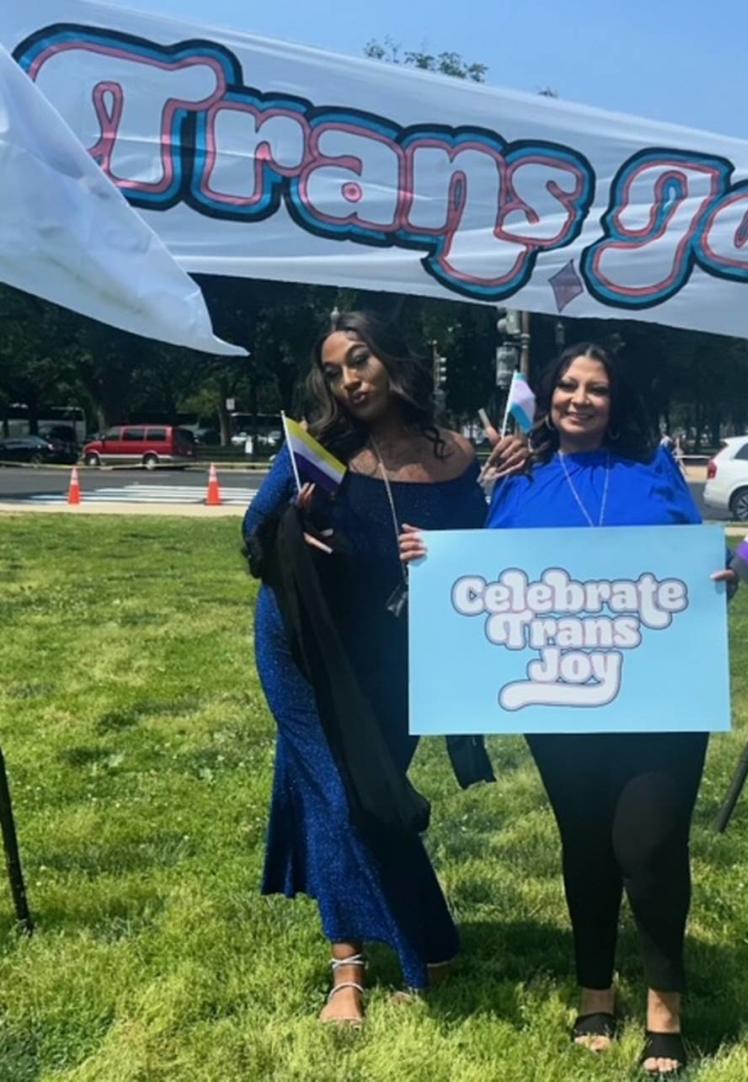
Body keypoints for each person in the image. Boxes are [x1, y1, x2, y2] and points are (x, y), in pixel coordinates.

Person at [427, 343, 733, 1076]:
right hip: (558, 696)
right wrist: (428, 559)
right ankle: (596, 990)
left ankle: (666, 1009)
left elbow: (691, 563)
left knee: (650, 849)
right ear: (550, 394)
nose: (579, 399)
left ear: (616, 399)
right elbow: (482, 577)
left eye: (596, 388)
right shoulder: (518, 481)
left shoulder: (655, 469)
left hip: (660, 696)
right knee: (587, 845)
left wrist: (716, 576)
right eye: (567, 384)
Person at [242, 310, 526, 1024]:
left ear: (396, 361)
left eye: (359, 361)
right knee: (343, 796)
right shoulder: (315, 450)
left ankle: (434, 938)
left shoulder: (456, 457)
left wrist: (517, 475)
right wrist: (294, 530)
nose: (347, 381)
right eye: (333, 371)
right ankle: (351, 971)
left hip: (401, 654)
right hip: (307, 649)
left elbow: (481, 559)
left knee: (380, 797)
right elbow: (253, 538)